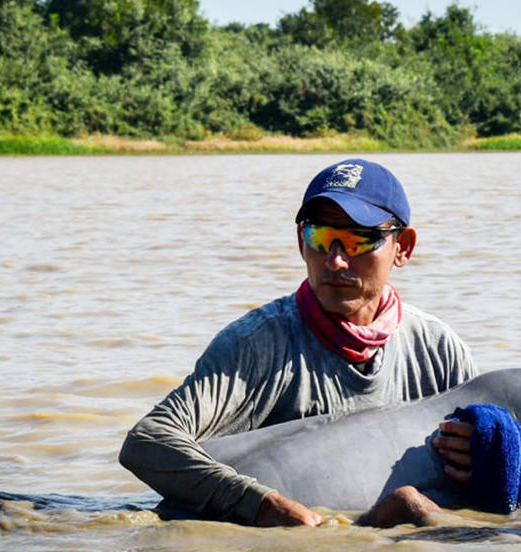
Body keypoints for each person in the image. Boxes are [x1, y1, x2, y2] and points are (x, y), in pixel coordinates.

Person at [119, 159, 478, 526]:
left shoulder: (438, 351)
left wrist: (484, 454)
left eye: (357, 240)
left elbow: (494, 458)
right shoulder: (256, 346)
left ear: (403, 247)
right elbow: (148, 442)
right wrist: (261, 504)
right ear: (299, 241)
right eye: (319, 238)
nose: (335, 261)